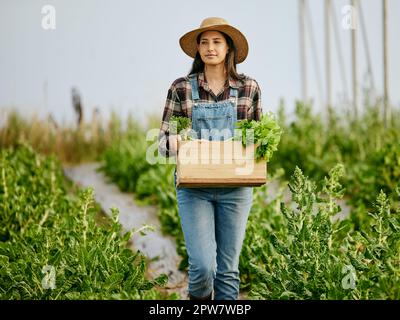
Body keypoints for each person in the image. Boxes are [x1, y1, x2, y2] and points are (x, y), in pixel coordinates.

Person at [158, 17, 262, 300]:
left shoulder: (248, 88)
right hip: (194, 189)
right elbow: (161, 144)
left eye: (217, 42)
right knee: (203, 268)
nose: (210, 48)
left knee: (228, 271)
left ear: (229, 48)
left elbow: (259, 142)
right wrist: (173, 141)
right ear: (198, 50)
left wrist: (257, 145)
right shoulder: (181, 88)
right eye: (204, 42)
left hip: (236, 189)